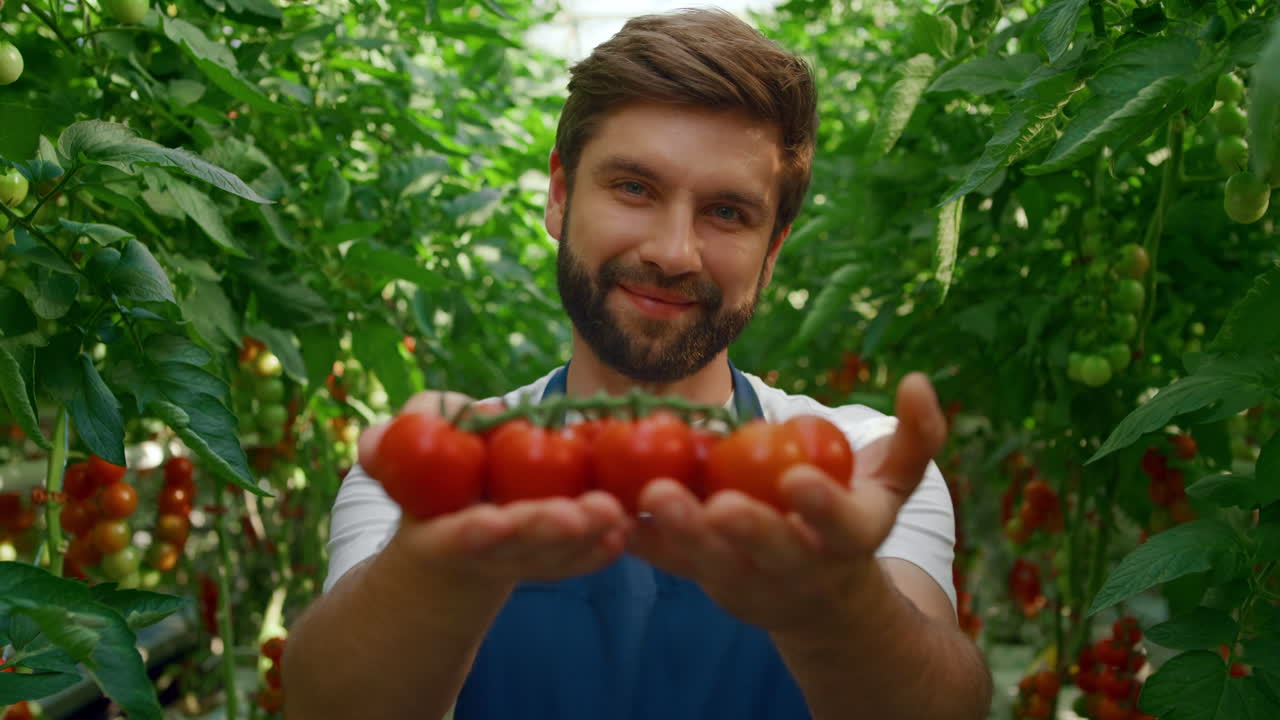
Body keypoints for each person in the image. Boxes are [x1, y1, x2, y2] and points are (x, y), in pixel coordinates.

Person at [283, 9, 992, 720]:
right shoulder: (431, 475)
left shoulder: (851, 464)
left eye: (727, 212)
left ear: (772, 251)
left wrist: (838, 602)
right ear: (559, 195)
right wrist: (434, 568)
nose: (673, 251)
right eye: (634, 188)